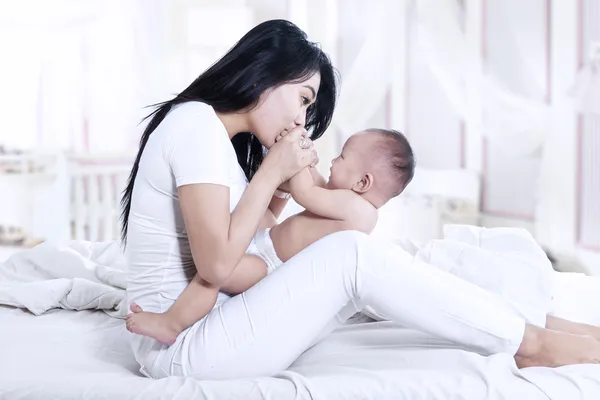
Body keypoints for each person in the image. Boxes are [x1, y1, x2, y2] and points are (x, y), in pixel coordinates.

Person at [123, 19, 600, 380]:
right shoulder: (195, 125)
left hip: (219, 318)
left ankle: (546, 322)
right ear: (266, 74)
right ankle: (530, 342)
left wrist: (276, 182)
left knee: (414, 259)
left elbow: (247, 237)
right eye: (304, 98)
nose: (302, 119)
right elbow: (216, 267)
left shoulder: (211, 137)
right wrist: (272, 172)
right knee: (354, 255)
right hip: (186, 345)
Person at [125, 128, 415, 345]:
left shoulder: (359, 211)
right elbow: (318, 185)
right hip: (266, 244)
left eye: (341, 157)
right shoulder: (349, 200)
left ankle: (172, 324)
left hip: (271, 266)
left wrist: (294, 162)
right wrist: (304, 159)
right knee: (243, 215)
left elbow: (306, 193)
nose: (333, 161)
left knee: (213, 275)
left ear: (363, 182)